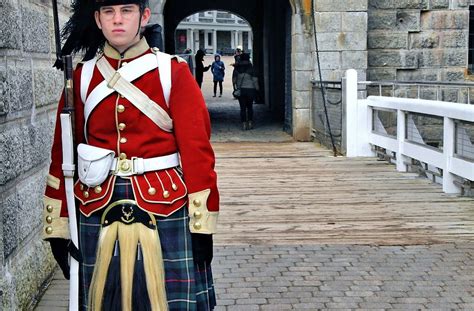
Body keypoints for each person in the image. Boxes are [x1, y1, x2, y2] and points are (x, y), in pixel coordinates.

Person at [42, 0, 219, 310]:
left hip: (164, 204)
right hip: (96, 203)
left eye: (127, 11)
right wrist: (58, 226)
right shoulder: (82, 78)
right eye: (108, 12)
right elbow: (62, 157)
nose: (117, 20)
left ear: (144, 16)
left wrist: (202, 224)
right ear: (97, 20)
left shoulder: (171, 72)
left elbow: (197, 151)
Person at [233, 53, 259, 130]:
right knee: (250, 107)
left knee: (243, 108)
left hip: (241, 90)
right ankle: (250, 123)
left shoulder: (237, 68)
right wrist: (257, 89)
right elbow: (255, 80)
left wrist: (235, 88)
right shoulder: (251, 68)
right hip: (250, 90)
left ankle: (244, 124)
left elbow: (234, 80)